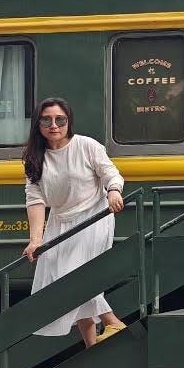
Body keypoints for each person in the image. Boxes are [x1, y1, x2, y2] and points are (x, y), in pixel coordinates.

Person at [22, 98, 128, 347]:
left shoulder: (87, 146)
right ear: (38, 123)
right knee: (66, 281)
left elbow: (110, 173)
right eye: (46, 119)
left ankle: (112, 322)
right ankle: (93, 344)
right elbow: (35, 199)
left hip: (93, 216)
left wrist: (113, 190)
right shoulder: (35, 157)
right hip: (60, 221)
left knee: (73, 276)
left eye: (60, 119)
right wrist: (36, 239)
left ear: (69, 122)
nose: (53, 125)